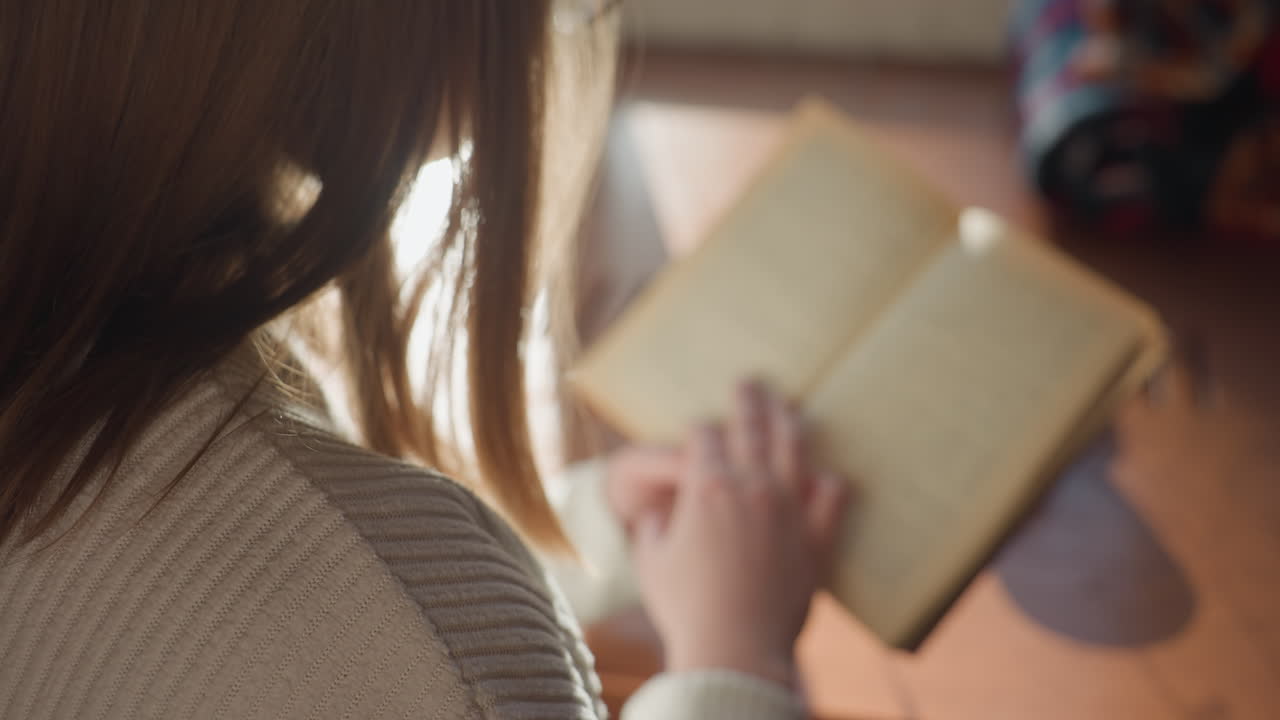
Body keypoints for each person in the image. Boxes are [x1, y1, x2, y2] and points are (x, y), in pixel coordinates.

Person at [0, 3, 848, 719]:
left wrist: (587, 536)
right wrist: (735, 666)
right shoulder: (433, 666)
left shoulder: (86, 316)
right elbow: (384, 628)